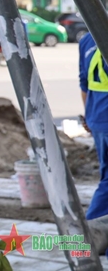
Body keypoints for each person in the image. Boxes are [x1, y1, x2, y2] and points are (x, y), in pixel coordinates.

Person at [80, 31, 108, 252]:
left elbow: (84, 84)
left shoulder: (87, 38)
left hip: (98, 118)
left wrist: (88, 116)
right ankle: (88, 237)